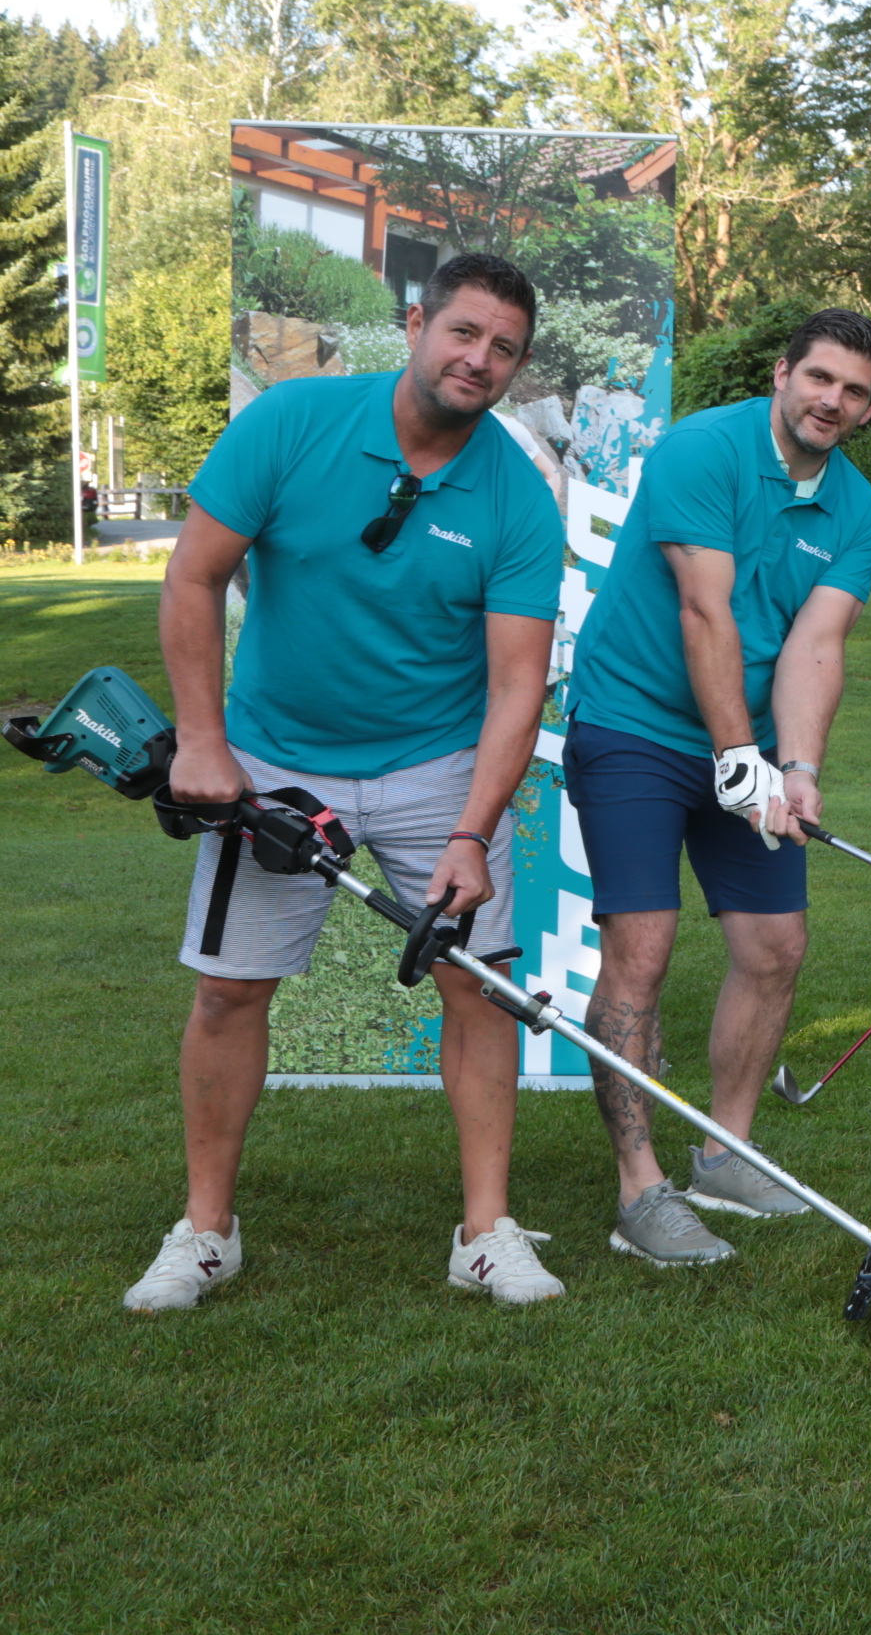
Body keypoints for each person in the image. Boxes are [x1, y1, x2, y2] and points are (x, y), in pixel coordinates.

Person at [129, 253, 565, 1311]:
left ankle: (485, 1233)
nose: (480, 359)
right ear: (416, 325)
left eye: (504, 348)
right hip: (273, 759)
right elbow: (194, 575)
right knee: (230, 989)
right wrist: (202, 742)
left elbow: (518, 687)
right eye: (464, 332)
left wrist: (472, 831)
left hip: (438, 766)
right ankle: (205, 1231)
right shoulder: (291, 424)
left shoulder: (518, 493)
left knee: (481, 986)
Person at [562, 308, 871, 1267]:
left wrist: (798, 768)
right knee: (642, 950)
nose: (832, 401)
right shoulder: (702, 450)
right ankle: (640, 1190)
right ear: (783, 373)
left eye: (855, 391)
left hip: (747, 744)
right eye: (819, 378)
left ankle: (724, 1154)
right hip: (634, 723)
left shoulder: (860, 511)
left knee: (775, 947)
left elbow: (814, 645)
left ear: (870, 409)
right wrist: (740, 756)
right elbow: (705, 610)